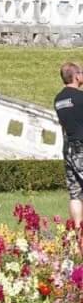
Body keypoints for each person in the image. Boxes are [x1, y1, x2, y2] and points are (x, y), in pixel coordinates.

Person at [54, 61, 83, 243]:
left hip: (69, 148)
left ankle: (79, 233)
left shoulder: (58, 100)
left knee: (75, 193)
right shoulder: (80, 98)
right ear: (76, 76)